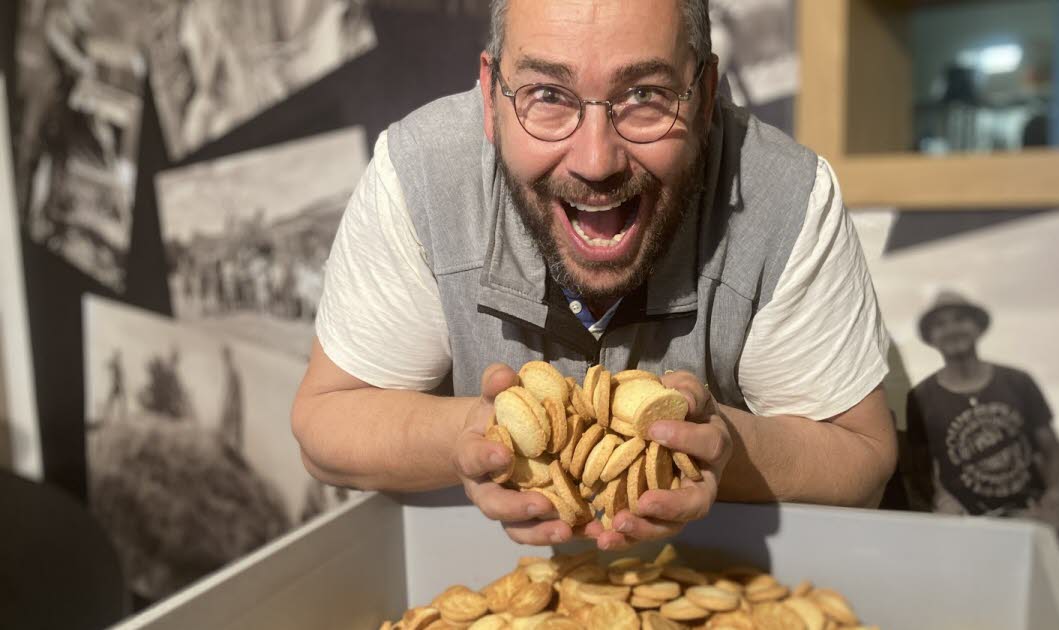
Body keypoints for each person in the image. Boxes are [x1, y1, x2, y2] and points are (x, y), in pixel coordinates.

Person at [292, 0, 895, 550]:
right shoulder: (419, 175)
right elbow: (327, 424)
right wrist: (473, 436)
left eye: (645, 95)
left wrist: (726, 450)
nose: (596, 161)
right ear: (489, 98)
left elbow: (864, 458)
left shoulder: (787, 198)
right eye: (548, 95)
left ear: (706, 95)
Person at [905, 290, 1059, 516]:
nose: (952, 330)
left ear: (977, 327)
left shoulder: (1018, 381)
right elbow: (918, 468)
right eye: (940, 324)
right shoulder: (919, 398)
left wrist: (1055, 495)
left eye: (960, 319)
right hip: (967, 525)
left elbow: (1053, 449)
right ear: (931, 338)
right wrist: (943, 500)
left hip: (1032, 514)